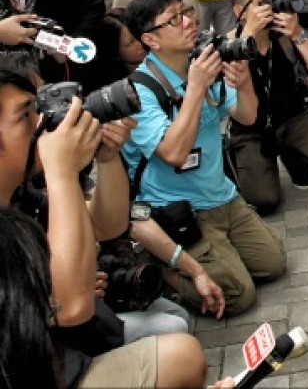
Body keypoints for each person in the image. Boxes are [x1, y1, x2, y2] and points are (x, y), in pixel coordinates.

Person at [0, 67, 209, 389]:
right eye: (25, 115)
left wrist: (108, 159)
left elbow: (108, 227)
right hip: (36, 372)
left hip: (65, 348)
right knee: (182, 354)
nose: (42, 124)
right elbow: (70, 308)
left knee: (175, 322)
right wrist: (62, 172)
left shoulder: (19, 196)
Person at [121, 0, 286, 316]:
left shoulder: (201, 60)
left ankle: (219, 252)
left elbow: (247, 116)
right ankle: (164, 269)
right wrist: (195, 88)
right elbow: (173, 154)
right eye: (173, 19)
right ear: (150, 40)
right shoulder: (139, 90)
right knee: (239, 296)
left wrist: (244, 83)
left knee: (274, 265)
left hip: (223, 196)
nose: (187, 22)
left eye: (186, 12)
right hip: (181, 210)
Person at [228, 0, 308, 214]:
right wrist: (248, 35)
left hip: (290, 118)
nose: (270, 7)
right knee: (264, 201)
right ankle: (256, 165)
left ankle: (293, 159)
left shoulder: (283, 37)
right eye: (262, 1)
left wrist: (298, 33)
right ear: (239, 12)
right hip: (252, 130)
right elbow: (232, 91)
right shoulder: (227, 46)